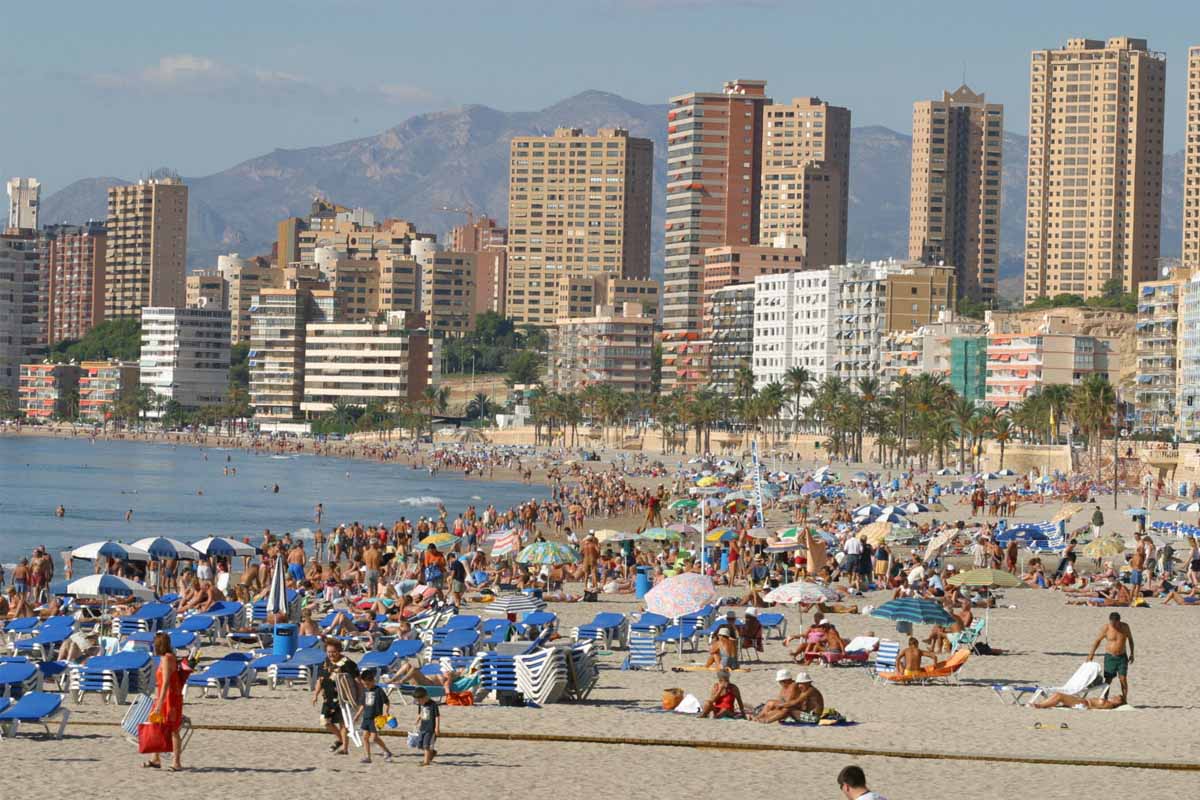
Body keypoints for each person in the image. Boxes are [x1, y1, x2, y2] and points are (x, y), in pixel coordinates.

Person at [142, 632, 185, 771]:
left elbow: (166, 681)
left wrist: (160, 702)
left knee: (172, 729)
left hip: (169, 697)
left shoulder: (166, 659)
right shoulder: (167, 657)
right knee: (158, 725)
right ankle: (155, 758)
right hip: (166, 695)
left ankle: (176, 762)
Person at [312, 640, 359, 755]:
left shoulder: (348, 663)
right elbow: (320, 679)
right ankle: (341, 740)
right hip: (328, 698)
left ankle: (345, 749)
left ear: (339, 651)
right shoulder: (326, 662)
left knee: (343, 723)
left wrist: (358, 697)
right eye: (328, 652)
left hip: (342, 698)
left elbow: (357, 681)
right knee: (325, 722)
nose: (331, 654)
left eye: (333, 652)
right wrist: (315, 695)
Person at [1088, 611, 1134, 703]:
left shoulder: (1125, 627)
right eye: (1111, 623)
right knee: (1108, 680)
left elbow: (1130, 640)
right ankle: (1105, 698)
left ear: (1119, 621)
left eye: (1115, 624)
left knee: (1123, 679)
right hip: (1110, 657)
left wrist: (1132, 653)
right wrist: (1091, 654)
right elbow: (1097, 641)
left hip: (1122, 657)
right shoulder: (1106, 628)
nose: (1113, 625)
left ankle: (1125, 700)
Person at [354, 669, 394, 764]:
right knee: (365, 737)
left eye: (367, 684)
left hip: (376, 718)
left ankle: (387, 751)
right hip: (366, 717)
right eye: (364, 684)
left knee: (374, 738)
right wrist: (357, 715)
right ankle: (368, 757)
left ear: (373, 681)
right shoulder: (365, 691)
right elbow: (363, 705)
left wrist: (386, 712)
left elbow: (387, 702)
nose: (365, 686)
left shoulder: (379, 690)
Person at [412, 687, 440, 766]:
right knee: (420, 744)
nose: (418, 702)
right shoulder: (421, 704)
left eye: (419, 700)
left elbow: (437, 716)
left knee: (426, 745)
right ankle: (432, 752)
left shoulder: (433, 704)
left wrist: (437, 728)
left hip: (430, 728)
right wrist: (417, 721)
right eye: (417, 700)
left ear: (425, 697)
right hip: (422, 727)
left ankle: (426, 762)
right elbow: (420, 713)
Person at [1032, 691, 1126, 709]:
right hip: (1082, 701)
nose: (1115, 697)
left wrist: (1087, 706)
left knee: (1059, 695)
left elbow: (1095, 706)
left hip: (1083, 703)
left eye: (1118, 698)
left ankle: (1040, 705)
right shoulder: (1108, 702)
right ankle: (1041, 704)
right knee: (1058, 695)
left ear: (1118, 703)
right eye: (1117, 696)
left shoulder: (1109, 705)